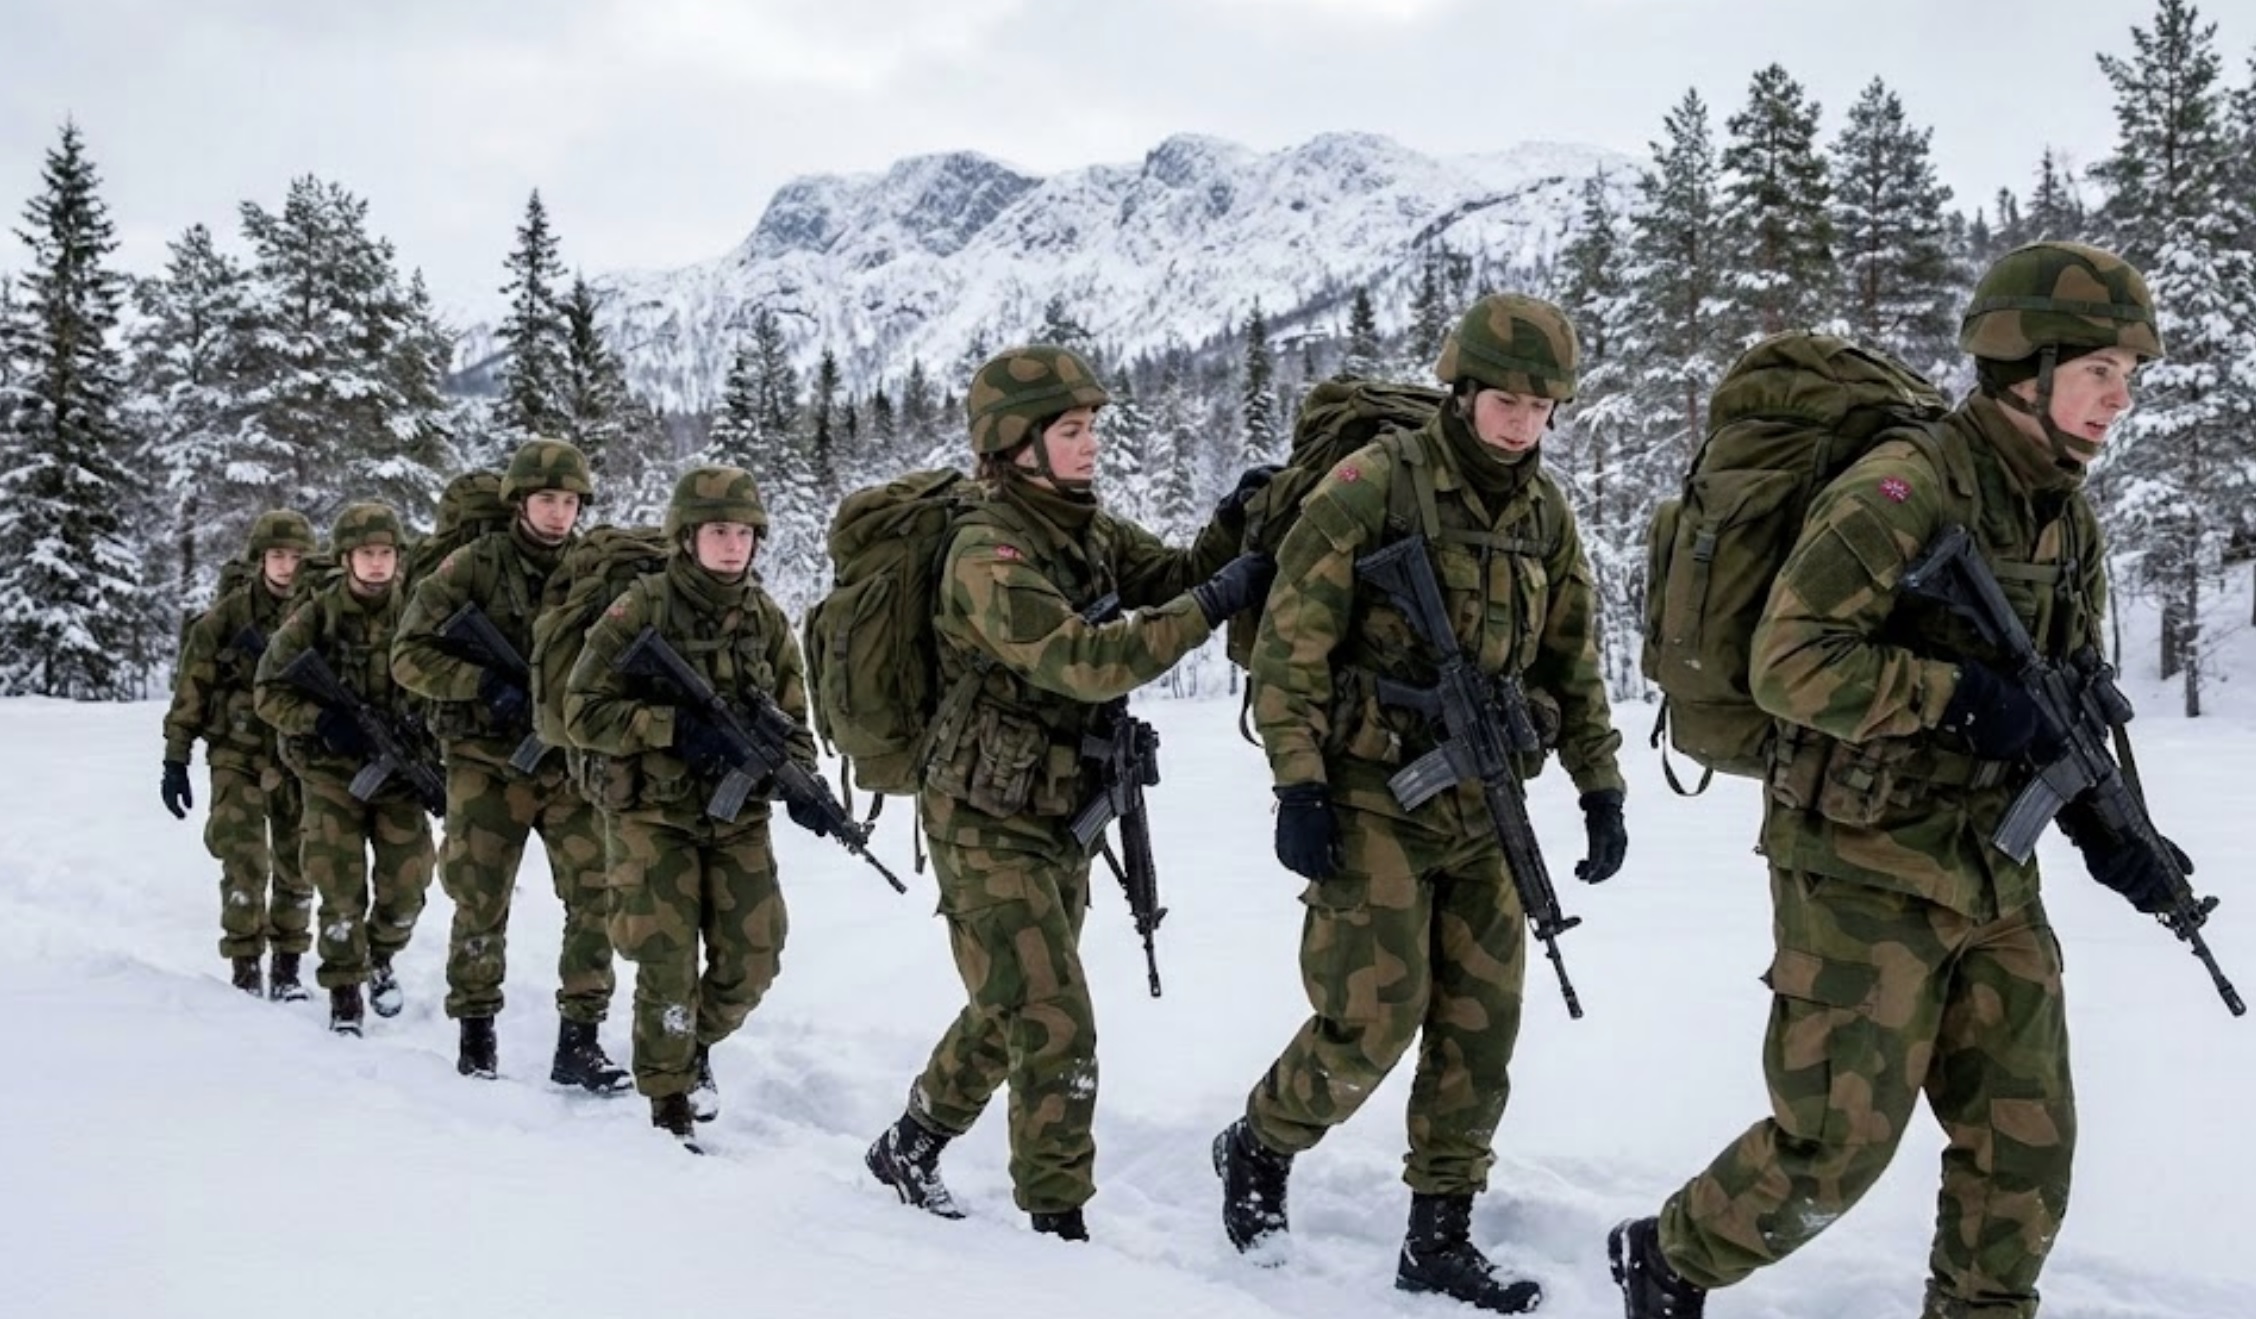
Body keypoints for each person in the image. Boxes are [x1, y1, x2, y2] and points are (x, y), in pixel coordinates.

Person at [1608, 242, 2183, 1319]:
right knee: (1833, 1146)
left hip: (1993, 867)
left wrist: (2108, 826)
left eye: (2130, 375)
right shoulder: (1902, 488)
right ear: (2024, 363)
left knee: (2025, 1142)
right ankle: (1672, 1251)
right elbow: (1790, 663)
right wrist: (1953, 696)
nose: (2121, 396)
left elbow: (2061, 690)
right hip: (1858, 860)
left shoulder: (2066, 515)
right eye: (2100, 369)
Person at [1217, 294, 1627, 1314]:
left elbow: (1572, 659)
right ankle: (1260, 1142)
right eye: (1505, 401)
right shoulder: (1374, 484)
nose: (1522, 423)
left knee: (1481, 1026)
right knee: (1372, 1016)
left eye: (1540, 406)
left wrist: (1601, 783)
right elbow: (1293, 645)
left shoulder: (1545, 514)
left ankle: (1438, 1236)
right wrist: (1299, 783)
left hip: (1487, 801)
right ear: (1463, 389)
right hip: (1372, 790)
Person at [860, 343, 1276, 1241]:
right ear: (1016, 444)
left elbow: (1168, 576)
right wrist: (1214, 603)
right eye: (1072, 430)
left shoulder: (1081, 526)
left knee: (1010, 1000)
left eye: (1092, 428)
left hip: (1057, 808)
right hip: (982, 817)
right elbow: (1087, 660)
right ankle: (1057, 1229)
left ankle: (910, 1143)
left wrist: (1230, 525)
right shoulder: (987, 551)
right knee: (1054, 1019)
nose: (1092, 445)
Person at [564, 465, 822, 1150]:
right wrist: (670, 728)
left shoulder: (764, 617)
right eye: (718, 532)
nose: (733, 546)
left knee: (755, 957)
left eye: (744, 533)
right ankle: (668, 1101)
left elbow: (794, 716)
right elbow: (580, 710)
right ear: (687, 537)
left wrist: (800, 780)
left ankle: (692, 1045)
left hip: (738, 817)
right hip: (653, 814)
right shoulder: (640, 608)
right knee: (665, 960)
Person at [392, 439, 626, 1091]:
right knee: (479, 897)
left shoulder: (591, 569)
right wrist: (479, 684)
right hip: (487, 762)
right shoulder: (472, 566)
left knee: (597, 892)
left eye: (570, 501)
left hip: (567, 764)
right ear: (520, 501)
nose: (559, 512)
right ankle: (476, 1037)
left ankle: (579, 1041)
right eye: (546, 499)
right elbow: (408, 654)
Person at [254, 501, 438, 1036]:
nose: (377, 563)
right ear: (346, 558)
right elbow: (268, 692)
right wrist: (320, 721)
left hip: (399, 775)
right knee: (338, 888)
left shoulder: (418, 613)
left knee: (408, 886)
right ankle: (345, 995)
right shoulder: (316, 616)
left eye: (385, 553)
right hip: (331, 775)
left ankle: (380, 956)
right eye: (366, 553)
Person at [162, 510, 318, 1000]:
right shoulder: (225, 619)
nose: (287, 566)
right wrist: (175, 759)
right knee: (242, 861)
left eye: (296, 557)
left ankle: (288, 969)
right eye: (277, 556)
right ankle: (246, 969)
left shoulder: (323, 613)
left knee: (298, 863)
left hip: (299, 756)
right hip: (237, 753)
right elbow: (191, 691)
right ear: (260, 559)